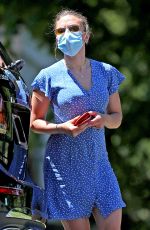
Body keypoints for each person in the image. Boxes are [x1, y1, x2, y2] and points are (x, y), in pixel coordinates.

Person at [30, 9, 126, 230]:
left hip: (99, 164)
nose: (67, 34)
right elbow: (35, 122)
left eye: (73, 28)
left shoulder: (106, 72)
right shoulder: (47, 76)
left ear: (86, 35)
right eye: (60, 30)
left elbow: (117, 116)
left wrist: (103, 119)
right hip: (65, 166)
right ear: (56, 37)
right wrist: (62, 128)